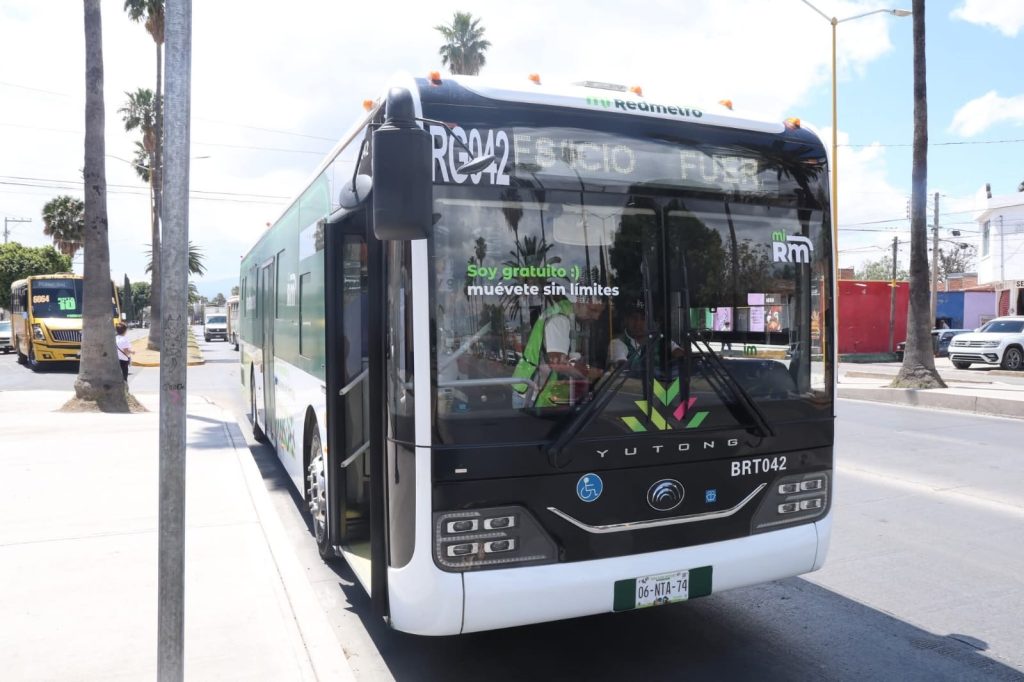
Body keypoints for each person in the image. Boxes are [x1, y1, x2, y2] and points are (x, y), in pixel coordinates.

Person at [512, 293, 605, 407]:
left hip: (535, 389)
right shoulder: (559, 319)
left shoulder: (565, 314)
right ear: (579, 302)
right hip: (532, 395)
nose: (596, 317)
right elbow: (558, 363)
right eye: (592, 310)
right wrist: (588, 372)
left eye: (600, 312)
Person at [608, 303, 683, 370]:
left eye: (643, 319)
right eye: (634, 318)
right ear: (626, 320)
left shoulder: (658, 340)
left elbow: (679, 353)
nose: (638, 323)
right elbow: (621, 365)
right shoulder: (617, 343)